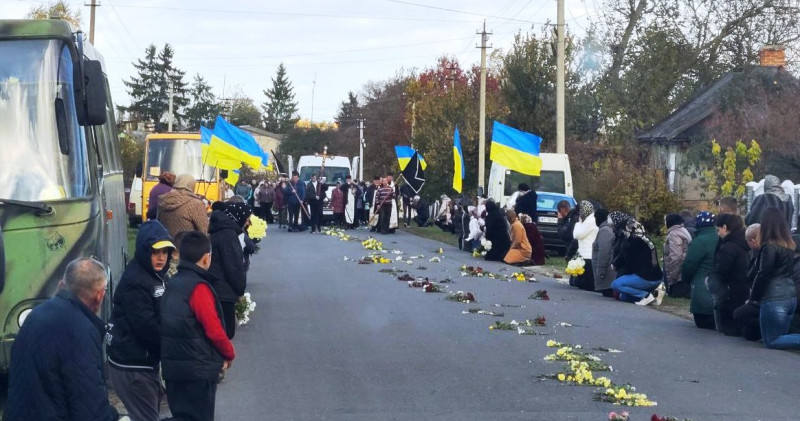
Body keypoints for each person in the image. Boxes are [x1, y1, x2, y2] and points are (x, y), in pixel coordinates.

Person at [4, 258, 120, 421]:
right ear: (99, 296)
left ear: (61, 284)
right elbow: (89, 407)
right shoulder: (80, 330)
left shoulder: (35, 316)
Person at [160, 231, 235, 421]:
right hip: (197, 369)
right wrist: (228, 353)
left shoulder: (173, 284)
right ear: (206, 258)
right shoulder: (198, 288)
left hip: (173, 367)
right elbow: (214, 329)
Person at [107, 220, 174, 421]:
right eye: (155, 252)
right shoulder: (136, 281)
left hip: (144, 362)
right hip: (132, 365)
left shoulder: (156, 276)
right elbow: (146, 327)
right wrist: (175, 346)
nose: (161, 257)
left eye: (165, 252)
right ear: (145, 251)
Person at [748, 207, 800, 349]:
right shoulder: (790, 246)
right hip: (790, 296)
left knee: (772, 341)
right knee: (781, 337)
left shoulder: (769, 247)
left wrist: (754, 296)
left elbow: (763, 273)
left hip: (774, 297)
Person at [208, 202, 249, 339]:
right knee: (226, 332)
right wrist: (240, 290)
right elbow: (233, 266)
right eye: (247, 217)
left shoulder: (220, 230)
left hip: (215, 286)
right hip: (223, 290)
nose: (248, 221)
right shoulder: (228, 235)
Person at [706, 213, 750, 336]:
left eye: (718, 229)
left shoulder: (728, 247)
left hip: (729, 290)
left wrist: (711, 280)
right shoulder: (744, 242)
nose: (718, 233)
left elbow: (721, 270)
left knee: (728, 327)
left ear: (725, 227)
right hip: (743, 288)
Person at [611, 217, 664, 305]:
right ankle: (652, 294)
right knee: (623, 296)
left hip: (646, 277)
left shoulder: (633, 242)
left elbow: (628, 263)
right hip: (656, 278)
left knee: (616, 284)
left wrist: (615, 265)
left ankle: (646, 295)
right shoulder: (646, 239)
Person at [681, 211, 719, 329]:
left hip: (702, 288)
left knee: (702, 323)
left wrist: (686, 280)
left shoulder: (699, 241)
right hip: (718, 289)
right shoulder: (719, 238)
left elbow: (689, 265)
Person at [733, 224, 763, 341]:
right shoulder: (754, 254)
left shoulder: (760, 254)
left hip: (760, 298)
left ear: (752, 241)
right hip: (757, 296)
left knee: (739, 314)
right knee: (748, 333)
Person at [157, 174, 209, 238]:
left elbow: (158, 223)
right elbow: (204, 230)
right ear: (192, 185)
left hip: (167, 245)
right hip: (187, 245)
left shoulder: (163, 200)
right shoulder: (196, 204)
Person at [663, 213, 692, 298]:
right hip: (684, 271)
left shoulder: (674, 234)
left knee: (676, 294)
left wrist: (673, 277)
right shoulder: (683, 230)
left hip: (678, 276)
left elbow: (676, 257)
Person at [571, 200, 598, 291]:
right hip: (584, 254)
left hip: (588, 255)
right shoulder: (589, 219)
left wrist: (578, 223)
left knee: (585, 284)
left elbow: (577, 235)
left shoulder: (590, 220)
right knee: (575, 282)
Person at [592, 209, 616, 297]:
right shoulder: (608, 228)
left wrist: (601, 271)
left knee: (607, 294)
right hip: (609, 273)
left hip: (607, 275)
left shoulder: (605, 230)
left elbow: (604, 251)